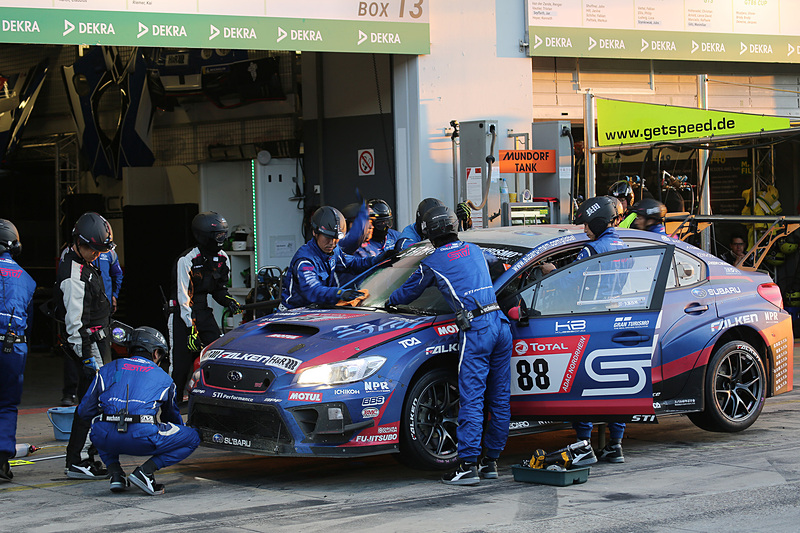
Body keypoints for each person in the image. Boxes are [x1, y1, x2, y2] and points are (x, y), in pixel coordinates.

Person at [387, 206, 512, 486]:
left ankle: (467, 465)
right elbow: (498, 267)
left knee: (472, 398)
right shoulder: (476, 249)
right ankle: (490, 462)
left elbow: (410, 290)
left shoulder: (433, 260)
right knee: (500, 396)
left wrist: (389, 301)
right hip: (501, 324)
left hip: (477, 329)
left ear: (429, 232)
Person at [549, 196, 628, 464]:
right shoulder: (625, 247)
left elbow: (570, 286)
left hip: (591, 322)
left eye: (586, 225)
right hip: (617, 321)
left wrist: (551, 273)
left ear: (597, 220)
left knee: (582, 383)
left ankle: (583, 443)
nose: (584, 230)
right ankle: (615, 445)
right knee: (616, 386)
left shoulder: (590, 251)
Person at [77, 326, 200, 495]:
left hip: (105, 438)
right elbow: (171, 418)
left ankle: (116, 474)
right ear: (155, 353)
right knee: (192, 437)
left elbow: (84, 411)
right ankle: (146, 471)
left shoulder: (107, 369)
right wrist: (180, 433)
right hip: (142, 438)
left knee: (100, 425)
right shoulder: (165, 378)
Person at [57, 212, 115, 479]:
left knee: (92, 403)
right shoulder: (73, 274)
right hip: (88, 346)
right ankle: (78, 459)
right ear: (78, 243)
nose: (96, 254)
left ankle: (85, 456)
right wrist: (88, 358)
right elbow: (75, 324)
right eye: (92, 248)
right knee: (93, 403)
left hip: (97, 341)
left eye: (100, 250)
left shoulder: (85, 260)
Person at [168, 212, 240, 401]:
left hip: (203, 310)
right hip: (181, 313)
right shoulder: (187, 260)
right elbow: (184, 300)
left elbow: (219, 289)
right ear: (204, 235)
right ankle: (172, 406)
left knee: (217, 354)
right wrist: (191, 328)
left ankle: (215, 398)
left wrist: (229, 301)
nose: (222, 239)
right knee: (180, 365)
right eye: (218, 235)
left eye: (224, 234)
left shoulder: (223, 258)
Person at [280, 206, 390, 310]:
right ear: (314, 232)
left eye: (336, 238)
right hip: (293, 313)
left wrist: (377, 260)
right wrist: (340, 293)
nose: (332, 243)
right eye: (328, 237)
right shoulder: (305, 260)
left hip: (319, 310)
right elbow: (312, 290)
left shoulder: (334, 249)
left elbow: (352, 264)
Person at [59, 247, 124, 407]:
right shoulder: (69, 255)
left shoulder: (110, 252)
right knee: (77, 351)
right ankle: (70, 392)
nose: (97, 253)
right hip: (81, 313)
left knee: (100, 370)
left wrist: (114, 295)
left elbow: (117, 274)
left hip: (102, 312)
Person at [0, 219, 36, 482]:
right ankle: (2, 462)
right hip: (14, 346)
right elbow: (29, 321)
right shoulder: (27, 279)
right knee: (7, 405)